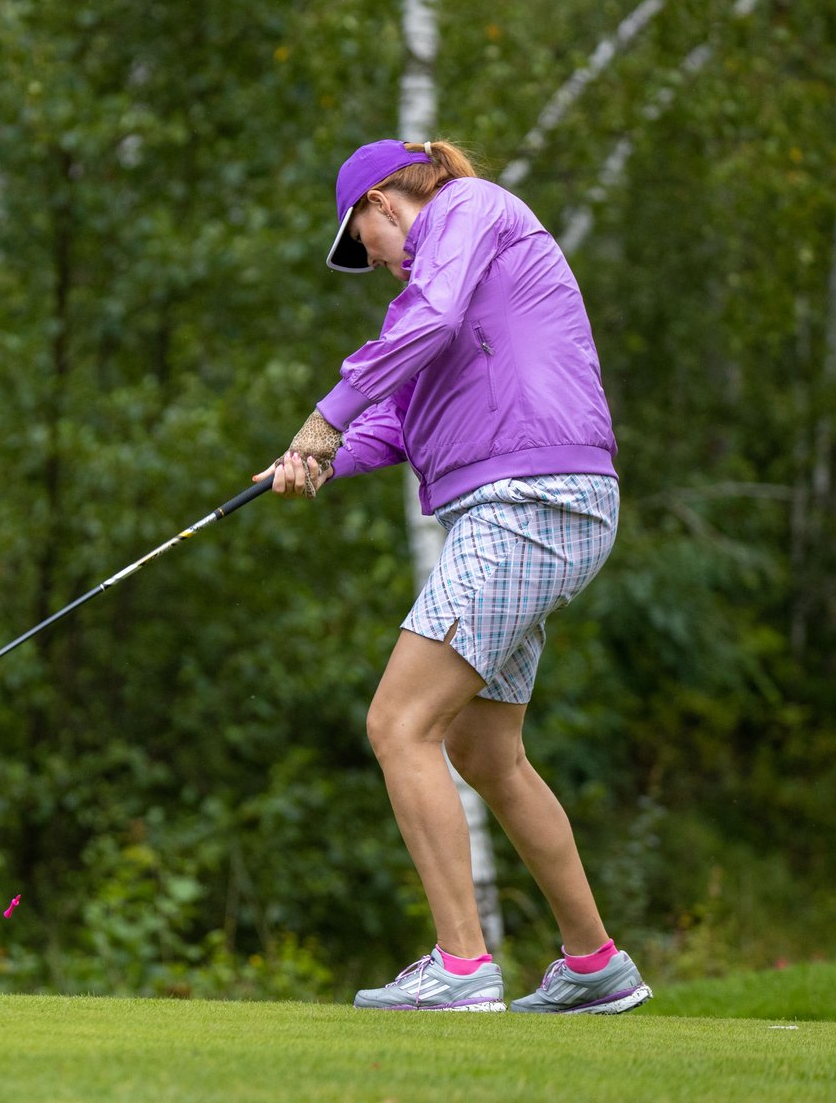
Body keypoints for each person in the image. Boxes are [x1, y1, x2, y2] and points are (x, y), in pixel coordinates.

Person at [255, 138, 650, 1015]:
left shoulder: (469, 210)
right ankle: (595, 964)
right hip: (530, 508)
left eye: (361, 242)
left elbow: (424, 325)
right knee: (483, 750)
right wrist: (317, 458)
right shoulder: (442, 289)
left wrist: (324, 415)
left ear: (380, 203)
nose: (373, 260)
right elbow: (399, 418)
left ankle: (462, 966)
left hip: (529, 501)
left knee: (399, 723)